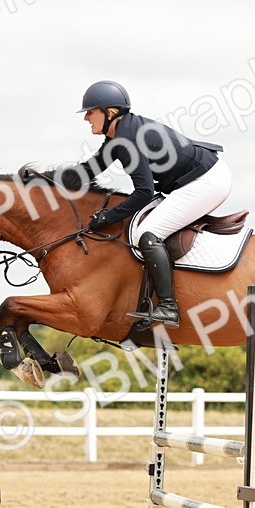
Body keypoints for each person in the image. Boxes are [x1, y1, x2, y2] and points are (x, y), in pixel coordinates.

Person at [77, 80, 232, 328]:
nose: (86, 117)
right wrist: (46, 182)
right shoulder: (120, 136)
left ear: (110, 113)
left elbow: (143, 193)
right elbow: (88, 172)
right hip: (198, 177)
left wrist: (107, 218)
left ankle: (169, 307)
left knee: (147, 234)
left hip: (207, 181)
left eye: (90, 111)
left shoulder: (128, 140)